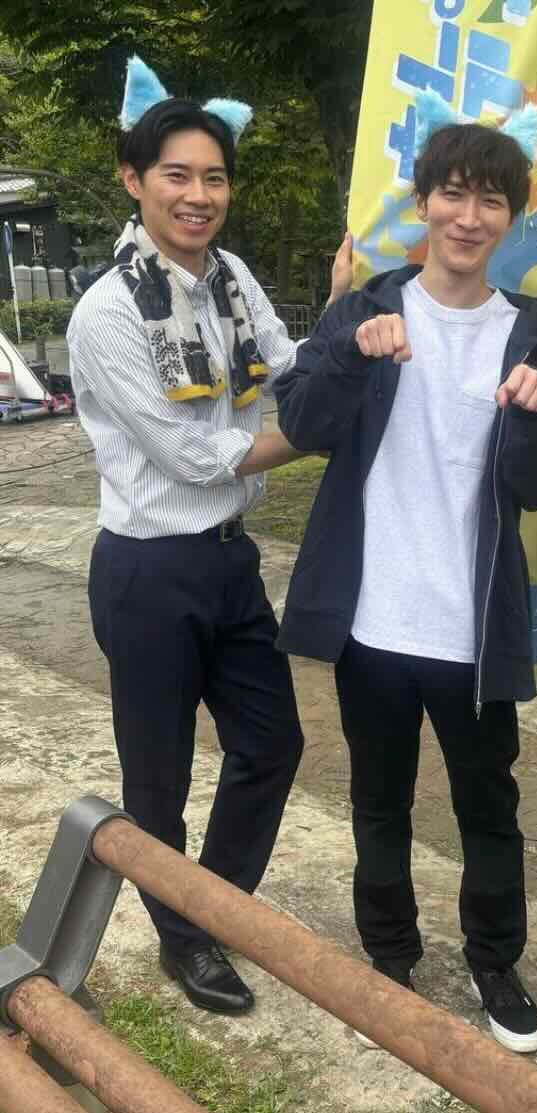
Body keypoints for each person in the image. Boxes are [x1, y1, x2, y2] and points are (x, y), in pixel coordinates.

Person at [272, 92, 537, 1053]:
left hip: (473, 626)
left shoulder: (533, 330)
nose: (469, 218)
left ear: (510, 218)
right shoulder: (369, 307)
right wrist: (350, 357)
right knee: (379, 801)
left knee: (491, 809)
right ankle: (390, 959)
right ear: (425, 203)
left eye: (491, 200)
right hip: (374, 620)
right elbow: (303, 423)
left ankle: (496, 964)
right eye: (453, 194)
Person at [69, 57, 349, 1015]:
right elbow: (195, 457)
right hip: (147, 571)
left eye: (215, 177)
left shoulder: (228, 278)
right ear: (133, 179)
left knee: (272, 744)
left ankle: (213, 909)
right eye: (177, 175)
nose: (198, 195)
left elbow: (285, 364)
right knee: (157, 775)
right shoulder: (108, 310)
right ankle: (185, 942)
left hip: (230, 562)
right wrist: (312, 433)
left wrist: (343, 307)